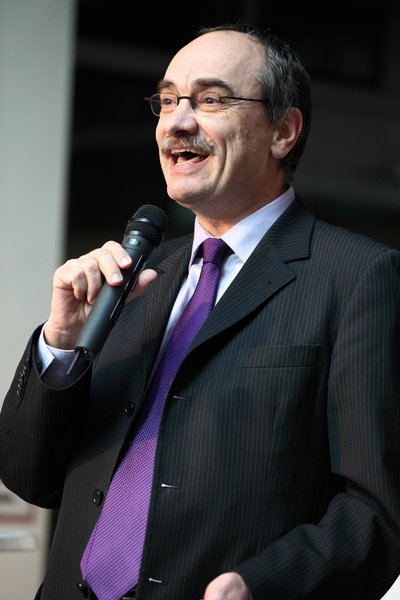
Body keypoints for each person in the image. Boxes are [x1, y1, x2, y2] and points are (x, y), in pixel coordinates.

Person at [1, 22, 400, 600]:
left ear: (283, 132)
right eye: (167, 101)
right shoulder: (133, 281)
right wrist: (61, 346)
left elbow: (375, 512)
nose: (177, 122)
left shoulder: (358, 277)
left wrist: (260, 585)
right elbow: (29, 477)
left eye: (211, 100)